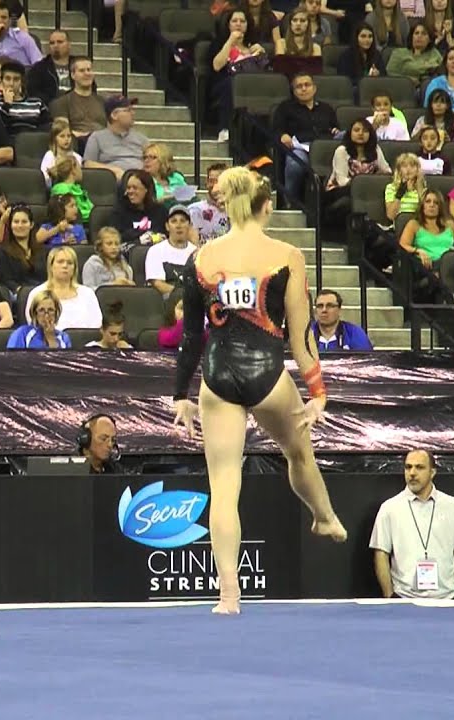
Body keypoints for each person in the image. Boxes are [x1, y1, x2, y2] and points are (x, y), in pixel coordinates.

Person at [172, 167, 346, 616]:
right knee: (298, 451)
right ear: (267, 207)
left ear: (227, 207)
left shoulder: (201, 258)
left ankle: (228, 596)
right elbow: (301, 335)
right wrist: (318, 394)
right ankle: (324, 516)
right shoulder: (286, 254)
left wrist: (179, 396)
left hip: (216, 377)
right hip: (266, 373)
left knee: (223, 487)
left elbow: (191, 337)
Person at [369, 449, 454, 600]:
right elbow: (381, 553)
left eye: (419, 467)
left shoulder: (453, 506)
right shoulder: (389, 508)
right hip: (404, 599)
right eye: (408, 467)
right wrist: (389, 596)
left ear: (432, 472)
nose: (412, 473)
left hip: (448, 599)